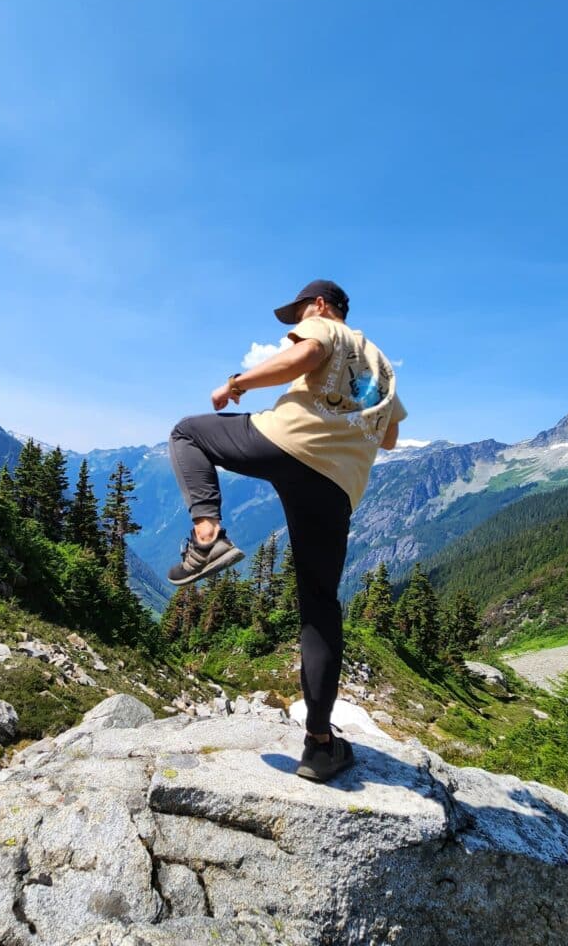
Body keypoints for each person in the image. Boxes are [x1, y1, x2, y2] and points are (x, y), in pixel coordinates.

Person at [167, 279, 407, 782]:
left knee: (188, 432)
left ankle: (207, 536)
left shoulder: (326, 329)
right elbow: (388, 438)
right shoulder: (384, 371)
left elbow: (304, 356)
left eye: (296, 315)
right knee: (319, 606)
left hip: (287, 443)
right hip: (337, 486)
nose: (295, 327)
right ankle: (320, 745)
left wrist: (236, 385)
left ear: (320, 305)